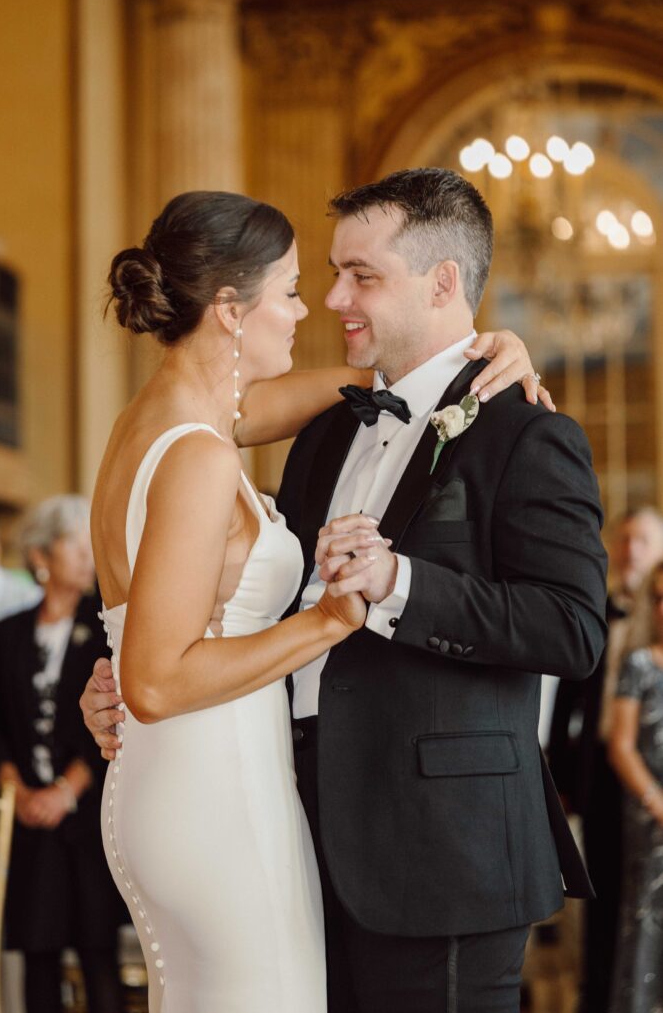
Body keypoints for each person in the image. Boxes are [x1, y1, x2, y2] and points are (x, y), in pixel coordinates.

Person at [82, 187, 546, 1013]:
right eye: (293, 289)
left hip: (162, 788)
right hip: (217, 787)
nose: (312, 310)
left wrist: (477, 351)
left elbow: (358, 383)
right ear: (229, 309)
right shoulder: (196, 453)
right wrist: (330, 619)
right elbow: (154, 681)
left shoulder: (155, 423)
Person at [0, 495, 125, 1013]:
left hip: (86, 820)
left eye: (90, 543)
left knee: (96, 953)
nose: (88, 555)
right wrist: (16, 789)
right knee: (39, 959)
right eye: (74, 544)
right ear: (41, 556)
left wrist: (67, 791)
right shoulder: (6, 635)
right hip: (29, 825)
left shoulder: (105, 626)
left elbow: (114, 717)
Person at [549, 506, 663, 1013]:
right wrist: (561, 774)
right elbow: (570, 697)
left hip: (650, 769)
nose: (631, 549)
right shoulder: (599, 607)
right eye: (626, 539)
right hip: (605, 769)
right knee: (605, 900)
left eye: (643, 540)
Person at [608, 559, 663, 1013]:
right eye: (660, 597)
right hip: (652, 819)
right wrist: (658, 803)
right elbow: (621, 747)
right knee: (648, 928)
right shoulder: (639, 663)